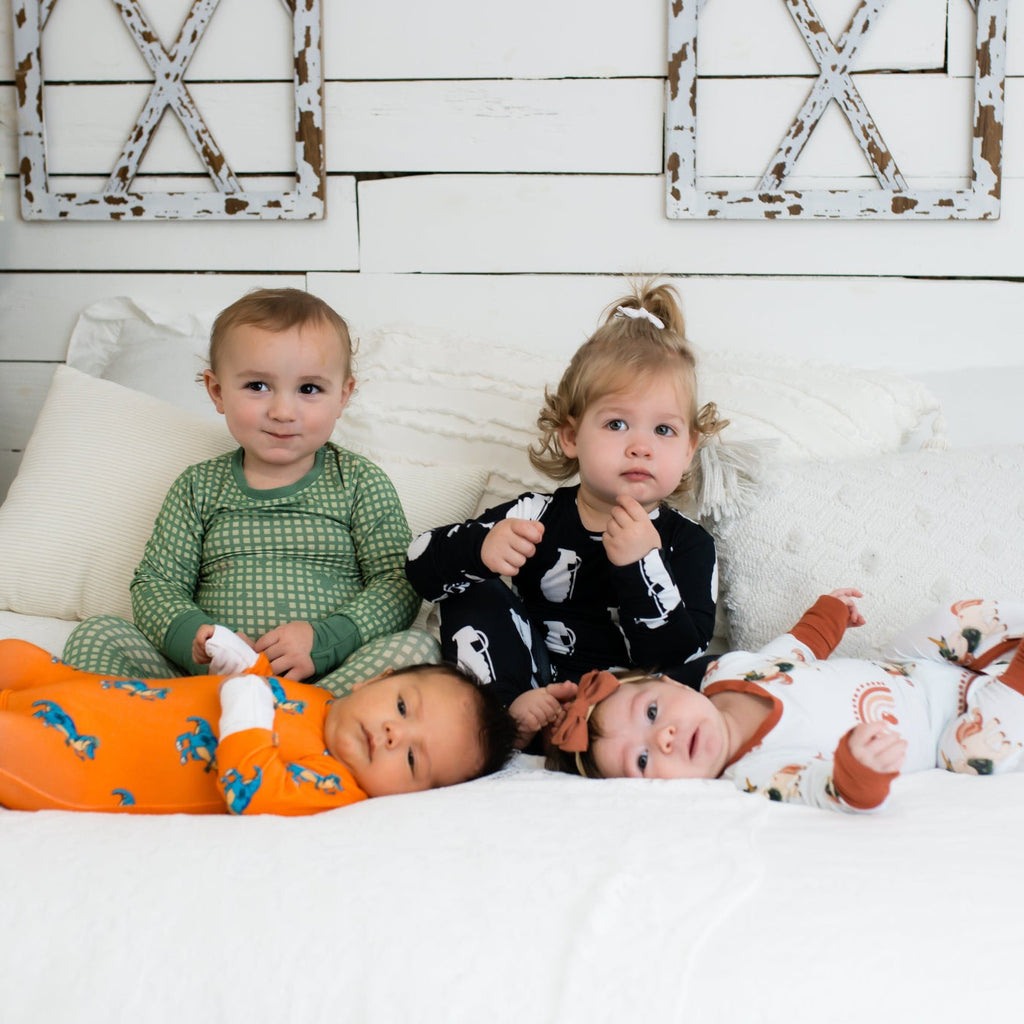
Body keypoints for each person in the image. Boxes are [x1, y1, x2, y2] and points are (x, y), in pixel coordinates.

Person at [63, 288, 434, 697]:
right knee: (98, 634)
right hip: (207, 684)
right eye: (258, 385)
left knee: (418, 652)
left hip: (326, 683)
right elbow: (157, 583)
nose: (282, 411)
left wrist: (325, 639)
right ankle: (181, 726)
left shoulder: (359, 482)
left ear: (343, 396)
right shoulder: (199, 486)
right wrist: (196, 640)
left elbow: (397, 583)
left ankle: (307, 722)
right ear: (218, 392)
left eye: (309, 389)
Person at [405, 279, 726, 708]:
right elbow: (419, 566)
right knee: (472, 587)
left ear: (688, 450)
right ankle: (507, 720)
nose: (640, 446)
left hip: (630, 706)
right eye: (616, 424)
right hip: (532, 686)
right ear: (571, 437)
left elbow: (678, 658)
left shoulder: (689, 543)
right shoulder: (535, 514)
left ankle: (587, 735)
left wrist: (644, 567)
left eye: (663, 429)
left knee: (721, 671)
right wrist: (481, 548)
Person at [542, 590, 1024, 813]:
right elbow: (824, 788)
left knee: (954, 616)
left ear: (674, 684)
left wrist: (830, 611)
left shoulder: (728, 671)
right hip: (952, 731)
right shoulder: (752, 772)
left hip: (916, 670)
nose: (663, 736)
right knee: (977, 755)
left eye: (651, 712)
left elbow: (798, 646)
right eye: (642, 759)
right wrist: (858, 769)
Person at [0, 627, 516, 814]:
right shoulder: (317, 702)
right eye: (402, 707)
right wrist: (240, 663)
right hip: (99, 697)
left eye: (410, 757)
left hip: (85, 766)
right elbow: (265, 689)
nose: (392, 733)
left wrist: (246, 710)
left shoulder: (333, 784)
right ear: (371, 680)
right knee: (20, 659)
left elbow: (253, 788)